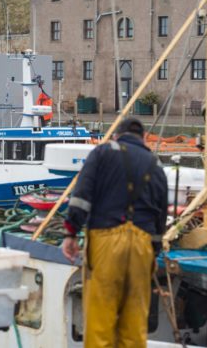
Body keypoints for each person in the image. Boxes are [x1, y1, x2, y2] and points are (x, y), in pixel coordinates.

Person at [62, 117, 168, 348]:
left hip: (106, 241)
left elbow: (81, 196)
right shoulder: (156, 166)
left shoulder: (102, 153)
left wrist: (71, 233)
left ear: (117, 136)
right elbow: (161, 219)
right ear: (142, 139)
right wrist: (154, 253)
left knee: (100, 324)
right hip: (142, 247)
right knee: (134, 327)